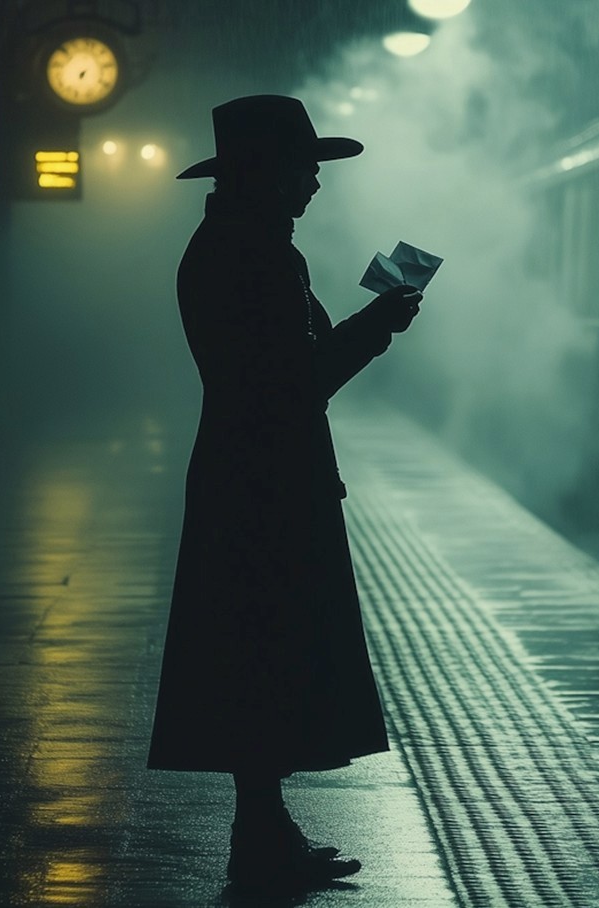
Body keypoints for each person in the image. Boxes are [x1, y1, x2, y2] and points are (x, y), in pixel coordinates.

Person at [146, 95, 422, 893]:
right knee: (269, 652)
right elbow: (293, 384)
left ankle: (264, 830)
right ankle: (261, 838)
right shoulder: (256, 255)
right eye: (305, 169)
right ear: (267, 174)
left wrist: (372, 324)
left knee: (253, 655)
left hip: (247, 472)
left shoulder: (233, 245)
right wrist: (379, 324)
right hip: (265, 482)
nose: (314, 185)